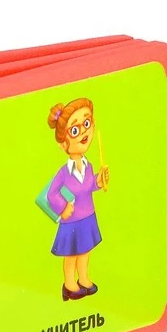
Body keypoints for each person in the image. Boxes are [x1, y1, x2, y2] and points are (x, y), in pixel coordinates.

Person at [46, 98, 110, 301]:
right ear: (63, 144)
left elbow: (89, 186)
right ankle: (69, 283)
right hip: (72, 220)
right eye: (75, 130)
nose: (84, 132)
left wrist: (99, 181)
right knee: (71, 253)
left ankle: (83, 278)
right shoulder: (64, 172)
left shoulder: (88, 165)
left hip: (88, 216)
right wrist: (63, 208)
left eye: (87, 123)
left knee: (85, 250)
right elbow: (51, 194)